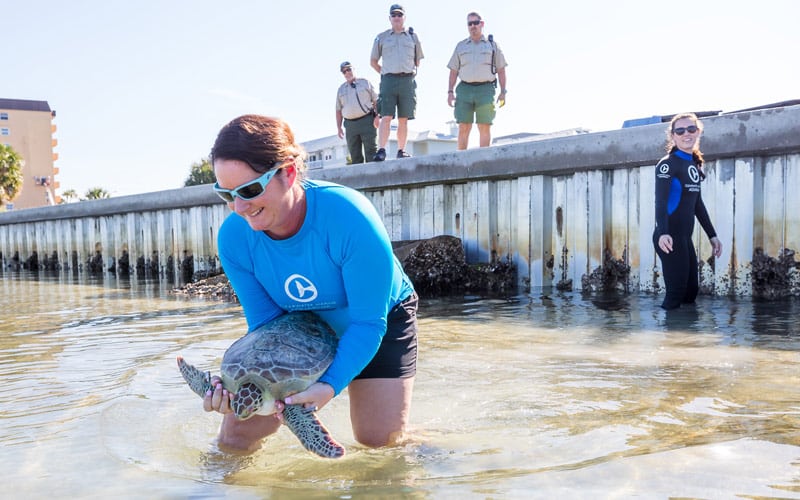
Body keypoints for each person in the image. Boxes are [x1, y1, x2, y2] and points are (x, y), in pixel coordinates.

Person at [205, 114, 418, 452]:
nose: (239, 207)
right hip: (299, 331)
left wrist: (330, 385)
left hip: (377, 318)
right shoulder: (234, 238)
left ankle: (435, 454)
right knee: (234, 439)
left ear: (288, 173)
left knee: (380, 443)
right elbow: (265, 325)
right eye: (226, 194)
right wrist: (237, 382)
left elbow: (367, 322)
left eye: (248, 190)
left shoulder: (350, 218)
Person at [652, 112, 722, 310]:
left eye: (691, 129)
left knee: (690, 292)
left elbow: (697, 204)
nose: (686, 134)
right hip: (669, 236)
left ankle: (685, 338)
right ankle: (664, 337)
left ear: (698, 132)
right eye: (680, 130)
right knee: (675, 293)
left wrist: (712, 235)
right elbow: (661, 201)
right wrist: (663, 232)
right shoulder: (668, 164)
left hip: (684, 238)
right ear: (673, 136)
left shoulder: (693, 164)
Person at [370, 4, 424, 161]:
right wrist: (385, 72)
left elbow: (418, 60)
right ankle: (381, 150)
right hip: (388, 80)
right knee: (386, 116)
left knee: (404, 118)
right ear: (389, 18)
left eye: (399, 15)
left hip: (407, 80)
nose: (397, 17)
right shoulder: (382, 37)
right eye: (393, 15)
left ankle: (401, 150)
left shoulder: (413, 37)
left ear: (404, 17)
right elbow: (373, 61)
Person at [447, 12, 508, 150]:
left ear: (482, 24)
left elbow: (501, 69)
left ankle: (484, 160)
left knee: (484, 125)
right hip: (464, 89)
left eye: (476, 22)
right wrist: (450, 92)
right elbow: (453, 71)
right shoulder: (460, 46)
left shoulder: (493, 46)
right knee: (464, 126)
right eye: (470, 23)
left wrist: (503, 91)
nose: (473, 26)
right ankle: (461, 161)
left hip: (485, 89)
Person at [335, 61, 379, 164]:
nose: (347, 73)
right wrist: (339, 127)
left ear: (354, 69)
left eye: (349, 69)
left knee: (371, 153)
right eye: (344, 71)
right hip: (350, 126)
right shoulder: (341, 90)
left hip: (367, 121)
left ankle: (373, 177)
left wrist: (378, 116)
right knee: (355, 155)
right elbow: (338, 110)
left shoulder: (365, 83)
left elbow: (376, 100)